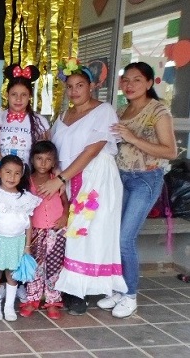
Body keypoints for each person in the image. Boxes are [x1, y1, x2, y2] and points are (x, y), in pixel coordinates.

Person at [39, 59, 127, 315]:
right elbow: (55, 147)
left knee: (87, 234)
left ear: (91, 86)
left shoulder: (104, 110)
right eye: (70, 86)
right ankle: (68, 287)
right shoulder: (64, 115)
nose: (74, 90)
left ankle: (82, 291)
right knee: (68, 233)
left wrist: (62, 178)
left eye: (80, 85)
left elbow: (92, 150)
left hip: (94, 180)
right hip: (68, 179)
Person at [98, 62, 177, 318]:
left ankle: (130, 294)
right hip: (120, 178)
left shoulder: (158, 110)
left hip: (146, 179)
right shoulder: (121, 110)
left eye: (137, 80)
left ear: (149, 83)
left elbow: (170, 151)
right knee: (114, 237)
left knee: (125, 238)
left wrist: (132, 137)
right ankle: (119, 289)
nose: (129, 85)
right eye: (126, 80)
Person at [0, 155, 41, 321]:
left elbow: (28, 224)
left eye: (16, 173)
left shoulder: (25, 198)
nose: (12, 177)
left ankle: (8, 307)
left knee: (12, 274)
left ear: (21, 175)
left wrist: (27, 246)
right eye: (8, 172)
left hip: (17, 241)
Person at [21, 140, 69, 320]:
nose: (43, 163)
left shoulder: (56, 181)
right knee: (34, 266)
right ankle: (33, 299)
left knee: (55, 265)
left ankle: (53, 300)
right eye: (39, 158)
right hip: (34, 231)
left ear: (54, 162)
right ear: (32, 160)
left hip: (56, 230)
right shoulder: (27, 181)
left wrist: (65, 216)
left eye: (48, 159)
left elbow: (65, 201)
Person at [0, 64, 49, 164]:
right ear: (7, 95)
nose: (18, 99)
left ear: (29, 96)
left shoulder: (40, 121)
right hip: (3, 175)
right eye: (14, 94)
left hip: (28, 175)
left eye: (24, 95)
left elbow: (45, 153)